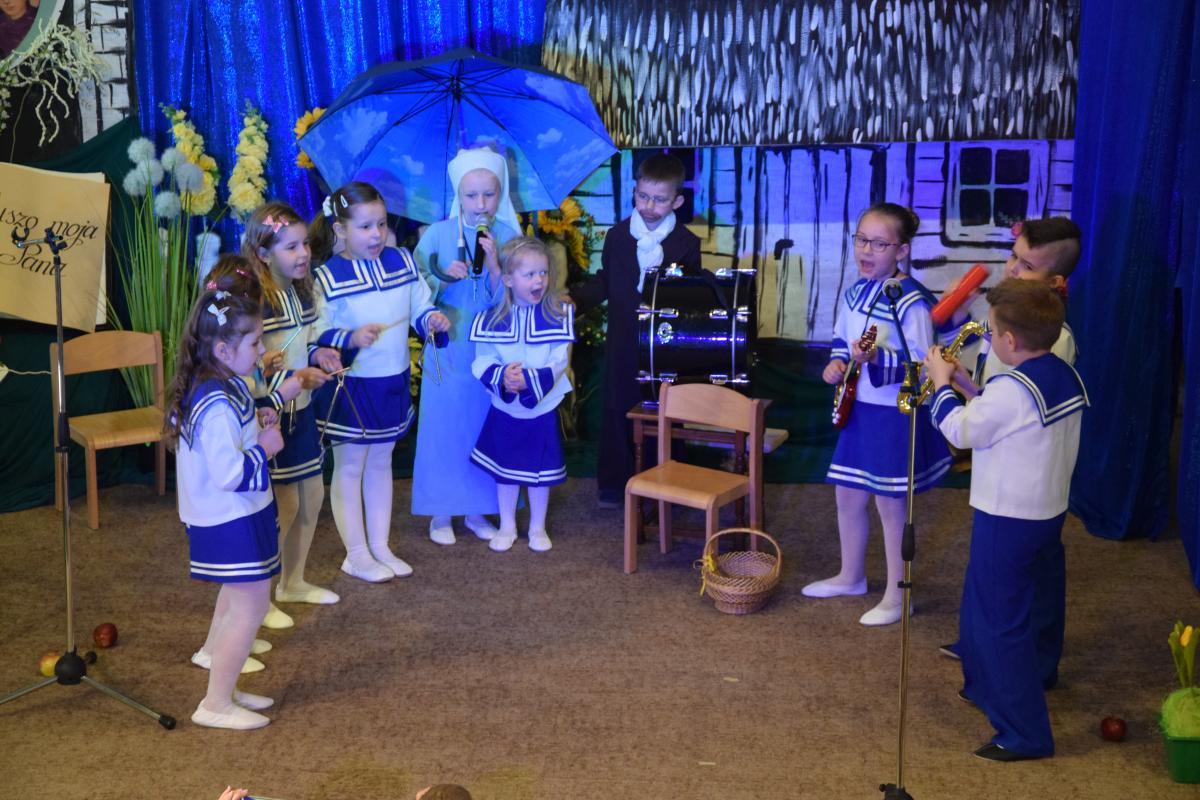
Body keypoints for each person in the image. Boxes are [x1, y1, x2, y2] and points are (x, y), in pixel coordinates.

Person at [924, 278, 1088, 761]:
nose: (991, 338)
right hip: (1046, 511)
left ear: (1010, 340)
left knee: (998, 621)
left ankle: (1023, 734)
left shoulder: (1011, 390)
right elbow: (1011, 416)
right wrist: (967, 386)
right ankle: (1022, 677)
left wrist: (940, 384)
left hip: (1006, 518)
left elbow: (961, 431)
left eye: (993, 332)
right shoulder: (1059, 372)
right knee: (1033, 605)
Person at [938, 216, 1083, 661]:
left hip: (1018, 489)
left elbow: (1015, 406)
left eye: (1027, 266)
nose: (1013, 270)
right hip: (1014, 478)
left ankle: (1012, 663)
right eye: (1013, 257)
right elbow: (1003, 398)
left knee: (1016, 583)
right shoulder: (1018, 320)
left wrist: (943, 390)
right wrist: (968, 386)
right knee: (1005, 576)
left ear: (1055, 283)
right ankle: (986, 648)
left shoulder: (1051, 342)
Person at [803, 202, 951, 626]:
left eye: (879, 244)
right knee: (847, 495)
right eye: (861, 240)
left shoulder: (911, 302)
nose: (866, 250)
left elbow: (923, 365)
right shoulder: (856, 292)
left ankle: (898, 595)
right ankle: (851, 576)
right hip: (860, 410)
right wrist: (837, 363)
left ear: (902, 251)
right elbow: (841, 339)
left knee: (891, 506)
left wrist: (876, 360)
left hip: (894, 415)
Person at [309, 182, 451, 582]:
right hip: (352, 385)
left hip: (392, 380)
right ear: (340, 229)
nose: (376, 235)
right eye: (365, 226)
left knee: (381, 461)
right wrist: (350, 339)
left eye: (382, 224)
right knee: (350, 466)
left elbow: (419, 304)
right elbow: (315, 333)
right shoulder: (325, 278)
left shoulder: (402, 261)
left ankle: (380, 545)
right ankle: (356, 554)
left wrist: (431, 320)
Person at [165, 279, 289, 730]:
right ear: (222, 349)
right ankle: (215, 704)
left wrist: (258, 420)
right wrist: (265, 448)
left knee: (242, 600)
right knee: (250, 607)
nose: (262, 349)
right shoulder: (215, 400)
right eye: (254, 342)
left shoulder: (226, 383)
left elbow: (233, 437)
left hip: (240, 514)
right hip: (226, 518)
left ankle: (227, 689)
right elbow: (230, 474)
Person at [570, 153, 701, 508]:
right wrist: (575, 300)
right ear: (634, 192)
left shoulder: (686, 243)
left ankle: (666, 484)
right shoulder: (618, 236)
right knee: (618, 408)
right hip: (623, 342)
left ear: (677, 202)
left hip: (663, 348)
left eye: (659, 200)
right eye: (643, 196)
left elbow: (689, 297)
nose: (649, 206)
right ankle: (615, 485)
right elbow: (605, 281)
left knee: (663, 412)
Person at [411, 148, 522, 546]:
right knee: (443, 428)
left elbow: (518, 297)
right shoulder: (437, 234)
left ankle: (478, 509)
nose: (480, 204)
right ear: (459, 195)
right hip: (448, 346)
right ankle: (440, 511)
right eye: (471, 195)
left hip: (490, 349)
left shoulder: (508, 237)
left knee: (483, 426)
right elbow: (415, 287)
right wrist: (443, 275)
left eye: (489, 194)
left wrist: (494, 267)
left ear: (500, 194)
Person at [242, 202, 343, 622]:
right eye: (291, 247)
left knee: (311, 498)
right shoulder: (255, 300)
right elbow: (247, 366)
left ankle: (293, 581)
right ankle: (259, 599)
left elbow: (307, 340)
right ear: (263, 254)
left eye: (305, 244)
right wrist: (285, 374)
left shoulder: (302, 290)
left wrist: (319, 355)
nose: (303, 254)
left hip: (301, 411)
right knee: (282, 507)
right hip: (271, 416)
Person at [470, 237, 574, 552]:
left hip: (541, 406)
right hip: (505, 406)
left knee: (539, 473)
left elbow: (559, 360)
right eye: (529, 274)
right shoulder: (491, 319)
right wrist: (504, 376)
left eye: (543, 272)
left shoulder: (558, 315)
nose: (538, 280)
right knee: (506, 471)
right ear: (508, 280)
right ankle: (507, 525)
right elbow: (482, 359)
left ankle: (537, 527)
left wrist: (529, 380)